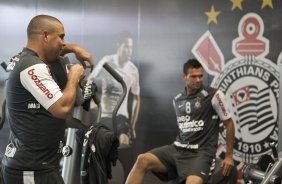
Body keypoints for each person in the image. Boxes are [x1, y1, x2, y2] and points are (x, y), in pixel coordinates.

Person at [1, 15, 94, 184]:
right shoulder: (32, 67)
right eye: (61, 36)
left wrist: (74, 48)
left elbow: (53, 52)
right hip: (31, 170)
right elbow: (62, 108)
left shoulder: (26, 59)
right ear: (45, 35)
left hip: (40, 167)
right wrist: (73, 77)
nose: (63, 43)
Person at [125, 59, 235, 184]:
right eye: (194, 76)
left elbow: (229, 124)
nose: (198, 80)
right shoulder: (177, 99)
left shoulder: (215, 95)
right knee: (142, 160)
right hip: (178, 150)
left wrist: (229, 156)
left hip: (201, 154)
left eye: (200, 76)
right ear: (184, 77)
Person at [87, 34, 140, 145]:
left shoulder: (133, 70)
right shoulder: (107, 60)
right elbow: (90, 79)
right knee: (100, 144)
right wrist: (92, 102)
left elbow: (137, 98)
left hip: (121, 116)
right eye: (126, 47)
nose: (129, 51)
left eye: (131, 48)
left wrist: (133, 125)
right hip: (104, 114)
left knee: (124, 142)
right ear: (118, 46)